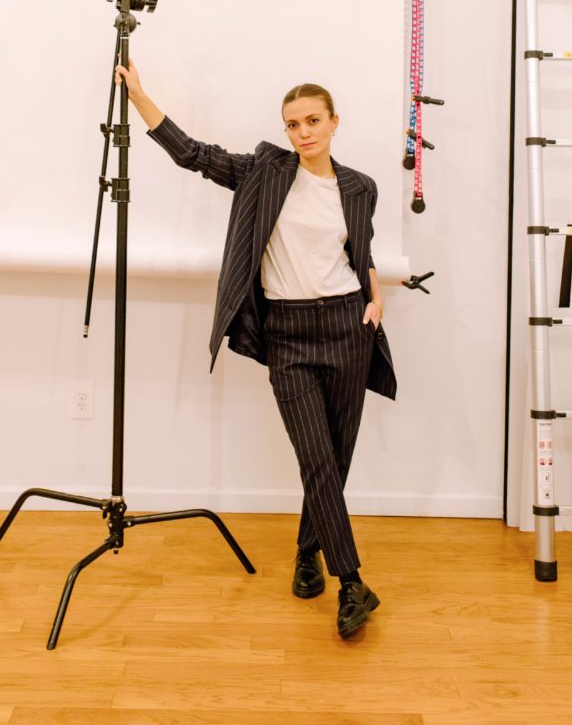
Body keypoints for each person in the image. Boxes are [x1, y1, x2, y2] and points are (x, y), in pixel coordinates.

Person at [114, 62, 396, 639]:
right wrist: (142, 97)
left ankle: (305, 555)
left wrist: (375, 294)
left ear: (334, 122)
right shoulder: (263, 172)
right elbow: (193, 153)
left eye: (313, 120)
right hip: (287, 335)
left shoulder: (359, 186)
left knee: (334, 463)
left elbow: (359, 249)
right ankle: (351, 583)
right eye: (293, 124)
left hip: (348, 328)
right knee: (315, 457)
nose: (303, 132)